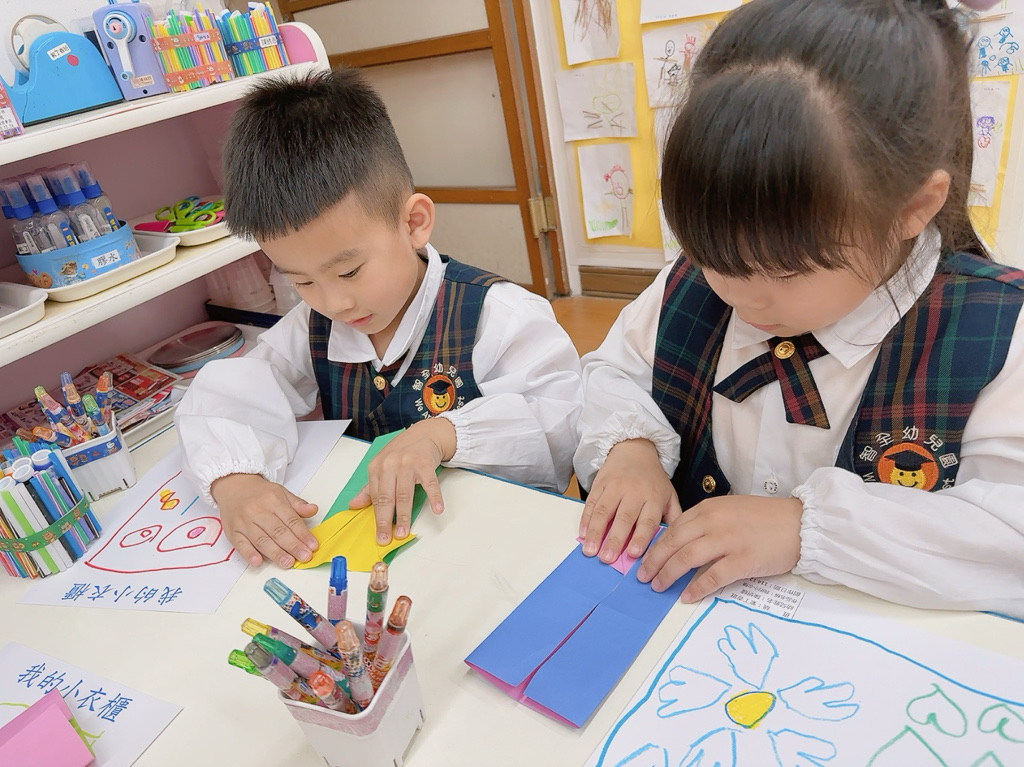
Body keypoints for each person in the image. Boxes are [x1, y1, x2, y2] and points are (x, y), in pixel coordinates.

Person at [574, 0, 1024, 617]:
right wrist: (630, 447)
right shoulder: (692, 286)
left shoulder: (997, 331)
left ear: (913, 209)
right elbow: (613, 371)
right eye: (709, 254)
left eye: (786, 271)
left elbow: (1008, 537)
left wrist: (805, 529)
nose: (740, 296)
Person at [176, 68, 582, 568]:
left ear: (413, 223)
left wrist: (442, 435)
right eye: (301, 281)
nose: (334, 303)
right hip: (383, 555)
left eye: (348, 271)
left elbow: (558, 425)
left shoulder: (497, 315)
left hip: (487, 547)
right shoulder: (312, 326)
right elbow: (231, 394)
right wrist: (235, 481)